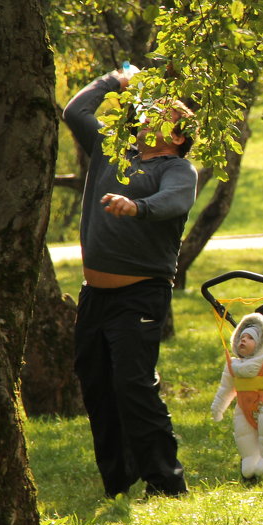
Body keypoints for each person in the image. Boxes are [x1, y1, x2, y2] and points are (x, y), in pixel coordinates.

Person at [61, 66, 198, 498]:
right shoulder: (112, 150)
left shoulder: (177, 168)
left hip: (141, 295)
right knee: (97, 383)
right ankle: (118, 482)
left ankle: (166, 482)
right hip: (95, 295)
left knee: (133, 385)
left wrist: (135, 207)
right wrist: (114, 81)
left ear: (176, 135)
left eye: (160, 112)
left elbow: (173, 201)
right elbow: (75, 110)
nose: (147, 114)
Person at [210, 313, 263, 479]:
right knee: (243, 434)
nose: (243, 340)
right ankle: (249, 458)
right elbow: (226, 388)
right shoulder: (233, 364)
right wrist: (218, 407)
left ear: (261, 343)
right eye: (241, 337)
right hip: (243, 407)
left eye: (250, 338)